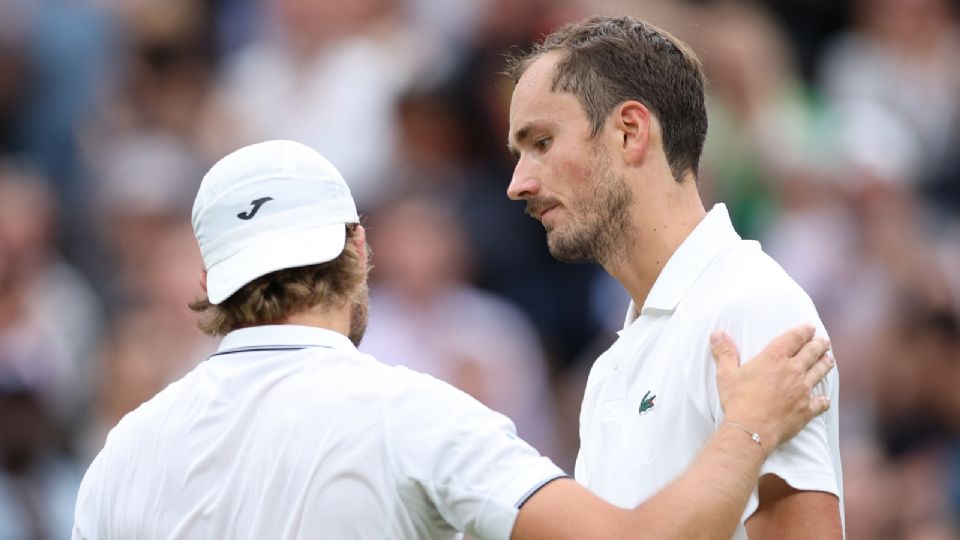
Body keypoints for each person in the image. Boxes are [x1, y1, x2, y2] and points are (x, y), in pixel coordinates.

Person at [72, 140, 834, 539]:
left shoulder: (121, 456)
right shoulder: (409, 414)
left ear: (211, 285)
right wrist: (748, 425)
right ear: (360, 248)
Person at [504, 15, 844, 539]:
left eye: (542, 142)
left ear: (630, 132)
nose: (518, 184)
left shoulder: (752, 306)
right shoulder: (610, 368)